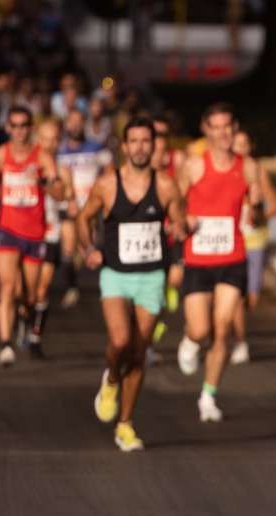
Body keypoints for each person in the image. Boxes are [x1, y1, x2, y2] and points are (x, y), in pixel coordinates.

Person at [76, 117, 185, 450]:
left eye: (145, 141)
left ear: (153, 147)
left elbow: (179, 222)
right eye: (133, 141)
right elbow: (84, 217)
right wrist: (88, 249)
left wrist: (177, 232)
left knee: (138, 353)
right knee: (121, 340)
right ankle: (111, 379)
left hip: (151, 276)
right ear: (124, 147)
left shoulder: (166, 186)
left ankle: (125, 424)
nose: (139, 147)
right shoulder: (107, 185)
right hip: (115, 275)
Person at [175, 102, 261, 422]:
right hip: (198, 259)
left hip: (232, 257)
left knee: (222, 330)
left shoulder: (248, 166)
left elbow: (257, 205)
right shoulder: (194, 165)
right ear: (206, 130)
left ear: (234, 128)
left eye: (228, 126)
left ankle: (208, 395)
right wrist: (184, 220)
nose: (223, 133)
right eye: (217, 127)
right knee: (201, 329)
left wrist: (256, 210)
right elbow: (175, 203)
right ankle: (190, 340)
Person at [0, 105, 64, 367]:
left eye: (24, 125)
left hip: (35, 233)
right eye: (14, 125)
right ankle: (5, 344)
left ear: (31, 128)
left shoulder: (42, 156)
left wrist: (45, 182)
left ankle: (25, 318)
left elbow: (59, 191)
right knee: (7, 287)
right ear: (8, 128)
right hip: (7, 230)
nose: (19, 131)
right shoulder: (0, 154)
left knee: (31, 296)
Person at [230, 128, 276, 365]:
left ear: (251, 146)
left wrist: (259, 217)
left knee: (251, 297)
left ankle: (232, 329)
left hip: (255, 240)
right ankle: (240, 342)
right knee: (237, 296)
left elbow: (275, 206)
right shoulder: (227, 171)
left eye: (244, 144)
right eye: (236, 144)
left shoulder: (259, 171)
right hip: (233, 240)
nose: (240, 148)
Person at [56, 107, 113, 308]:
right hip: (69, 206)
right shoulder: (59, 151)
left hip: (91, 208)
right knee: (69, 247)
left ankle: (106, 286)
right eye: (71, 121)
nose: (75, 125)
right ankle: (71, 288)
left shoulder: (97, 148)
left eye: (79, 121)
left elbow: (109, 173)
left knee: (89, 246)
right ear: (66, 124)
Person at [29, 118, 76, 358]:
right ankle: (22, 318)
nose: (50, 144)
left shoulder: (63, 170)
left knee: (42, 287)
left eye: (54, 139)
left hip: (50, 233)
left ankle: (35, 337)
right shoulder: (27, 165)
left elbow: (68, 199)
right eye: (45, 138)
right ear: (37, 139)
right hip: (25, 233)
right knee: (23, 291)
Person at [152, 114, 187, 315]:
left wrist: (180, 219)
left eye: (163, 134)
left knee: (174, 278)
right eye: (155, 134)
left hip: (174, 229)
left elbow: (186, 193)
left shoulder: (178, 159)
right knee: (154, 288)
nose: (159, 139)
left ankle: (170, 292)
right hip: (151, 231)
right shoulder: (143, 161)